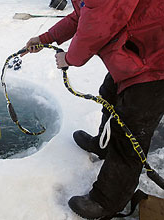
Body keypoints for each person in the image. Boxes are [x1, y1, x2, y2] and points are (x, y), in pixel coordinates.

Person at [22, 0, 164, 219]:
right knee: (109, 93)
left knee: (130, 132)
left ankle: (107, 201)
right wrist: (45, 39)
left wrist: (69, 58)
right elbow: (82, 14)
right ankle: (103, 145)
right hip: (135, 55)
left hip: (155, 63)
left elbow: (96, 27)